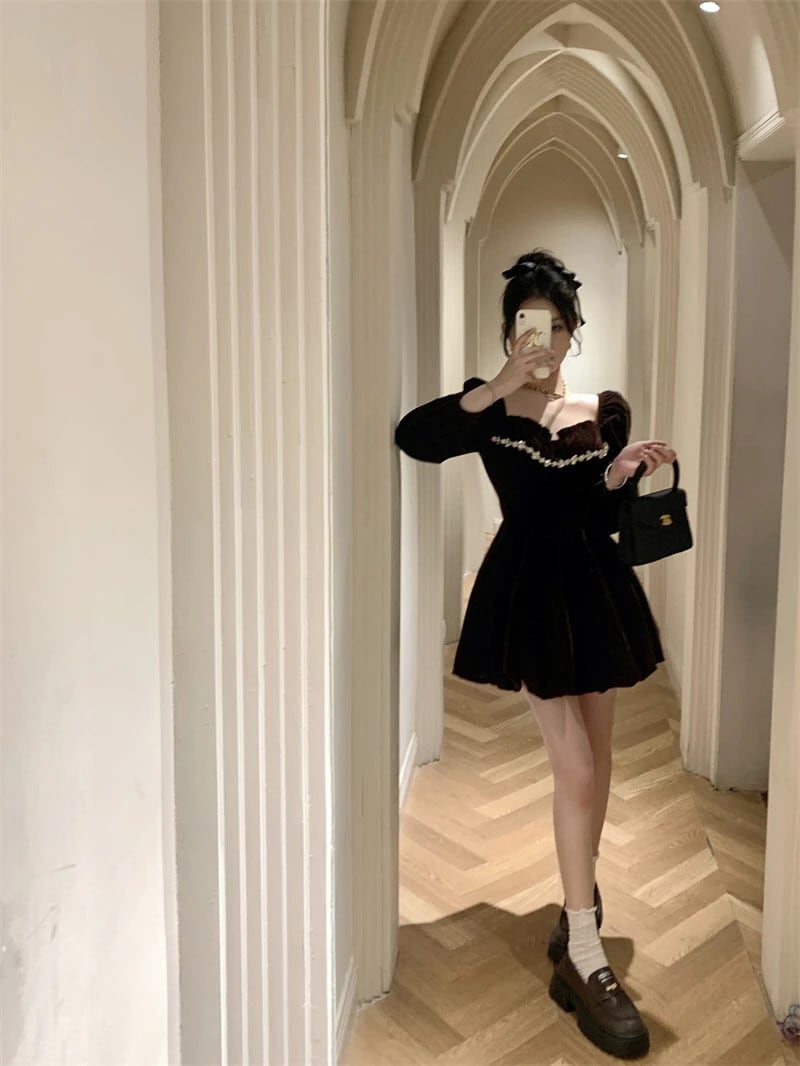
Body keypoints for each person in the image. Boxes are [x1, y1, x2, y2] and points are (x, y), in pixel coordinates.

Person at [394, 249, 677, 1060]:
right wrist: (495, 384)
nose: (543, 341)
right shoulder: (488, 409)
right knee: (575, 766)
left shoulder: (603, 410)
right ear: (509, 330)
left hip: (596, 591)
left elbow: (602, 517)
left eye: (556, 326)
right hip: (527, 596)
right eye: (530, 325)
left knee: (600, 760)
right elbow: (416, 438)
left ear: (574, 330)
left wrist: (621, 473)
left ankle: (576, 904)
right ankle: (585, 951)